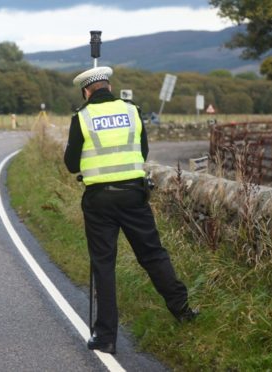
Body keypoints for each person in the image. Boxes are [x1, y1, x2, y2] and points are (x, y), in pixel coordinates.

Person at [63, 66, 198, 354]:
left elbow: (72, 164)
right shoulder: (132, 111)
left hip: (99, 200)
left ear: (86, 91)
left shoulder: (82, 117)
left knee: (103, 264)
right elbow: (143, 151)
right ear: (108, 86)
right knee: (152, 254)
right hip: (134, 195)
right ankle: (183, 311)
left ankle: (106, 336)